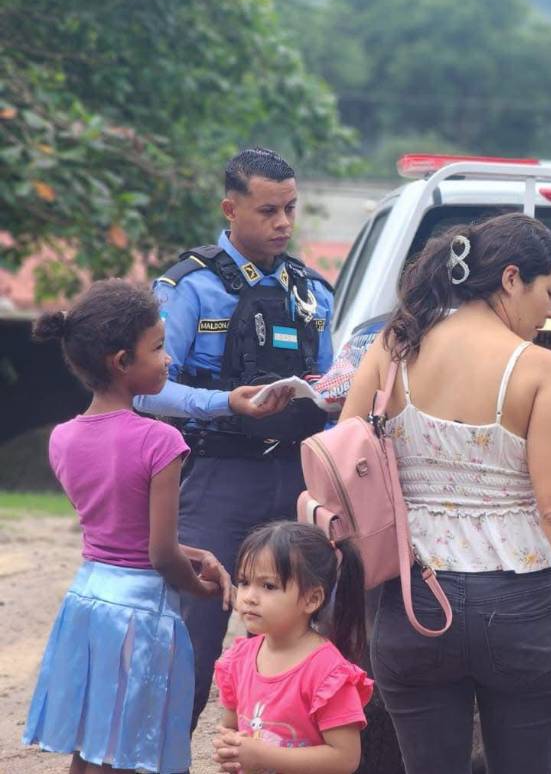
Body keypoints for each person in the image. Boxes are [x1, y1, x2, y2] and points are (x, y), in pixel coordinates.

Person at [340, 212, 551, 774]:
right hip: (519, 610)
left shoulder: (392, 348)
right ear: (512, 279)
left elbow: (345, 465)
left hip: (411, 605)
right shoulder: (541, 371)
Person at [134, 146, 335, 728]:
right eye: (269, 210)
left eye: (291, 209)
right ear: (230, 208)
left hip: (296, 478)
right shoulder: (188, 287)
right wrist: (224, 403)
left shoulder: (311, 290)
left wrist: (339, 398)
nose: (283, 224)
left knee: (303, 645)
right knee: (188, 646)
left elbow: (328, 384)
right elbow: (147, 391)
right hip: (215, 476)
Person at [22, 280, 231, 774]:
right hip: (140, 615)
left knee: (92, 746)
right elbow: (158, 556)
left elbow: (118, 533)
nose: (168, 359)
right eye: (158, 347)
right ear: (121, 361)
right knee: (133, 750)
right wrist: (198, 589)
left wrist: (193, 554)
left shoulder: (63, 438)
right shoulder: (159, 441)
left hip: (88, 602)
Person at [211, 521, 373, 774]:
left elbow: (345, 758)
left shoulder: (328, 673)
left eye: (268, 586)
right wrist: (229, 746)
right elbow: (232, 726)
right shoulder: (239, 659)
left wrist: (263, 756)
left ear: (312, 599)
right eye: (244, 582)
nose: (249, 597)